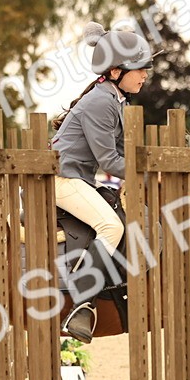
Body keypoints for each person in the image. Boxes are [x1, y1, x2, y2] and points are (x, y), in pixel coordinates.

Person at [49, 21, 157, 342]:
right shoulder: (100, 102)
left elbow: (124, 153)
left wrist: (146, 172)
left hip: (78, 178)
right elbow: (110, 161)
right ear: (114, 72)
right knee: (113, 227)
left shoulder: (115, 101)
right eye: (139, 69)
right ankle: (82, 304)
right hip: (60, 179)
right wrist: (145, 176)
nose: (145, 75)